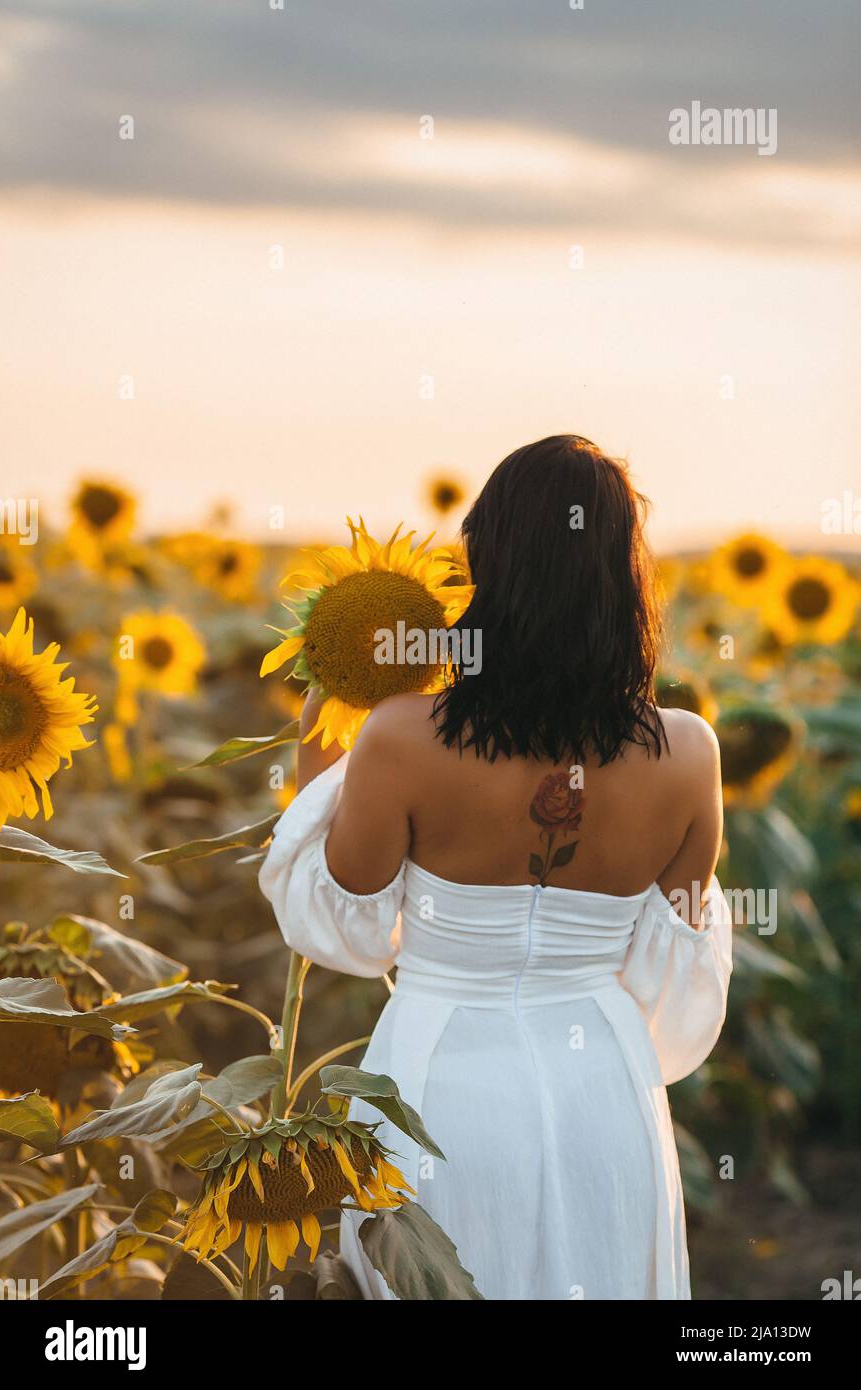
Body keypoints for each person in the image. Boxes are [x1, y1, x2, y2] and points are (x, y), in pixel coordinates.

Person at [259, 434, 732, 1300]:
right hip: (608, 1102)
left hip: (437, 1096)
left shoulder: (402, 737)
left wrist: (330, 683)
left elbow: (341, 925)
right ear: (627, 583)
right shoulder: (690, 755)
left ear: (483, 567)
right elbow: (675, 991)